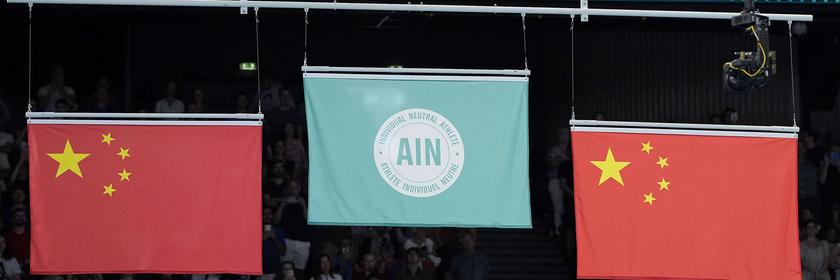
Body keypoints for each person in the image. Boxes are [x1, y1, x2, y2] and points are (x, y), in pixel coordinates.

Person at [275, 180, 310, 275]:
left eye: (295, 188)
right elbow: (275, 220)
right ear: (288, 189)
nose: (293, 190)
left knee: (300, 271)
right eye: (290, 188)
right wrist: (282, 205)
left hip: (303, 241)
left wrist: (304, 206)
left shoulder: (305, 201)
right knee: (287, 270)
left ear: (299, 189)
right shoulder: (284, 202)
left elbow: (308, 220)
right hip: (288, 240)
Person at [263, 207, 287, 280]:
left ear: (272, 215)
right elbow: (248, 251)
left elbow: (283, 252)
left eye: (269, 214)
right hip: (259, 272)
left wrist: (274, 239)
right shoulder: (254, 229)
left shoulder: (278, 230)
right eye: (264, 214)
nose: (267, 216)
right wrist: (263, 238)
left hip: (275, 271)